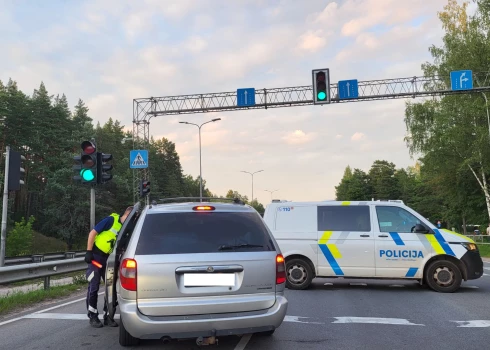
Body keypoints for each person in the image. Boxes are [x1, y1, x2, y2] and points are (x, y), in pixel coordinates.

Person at [84, 206, 133, 328]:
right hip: (96, 257)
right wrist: (89, 251)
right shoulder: (111, 220)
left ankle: (108, 316)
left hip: (110, 260)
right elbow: (93, 233)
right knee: (94, 287)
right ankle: (93, 316)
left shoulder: (126, 229)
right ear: (126, 215)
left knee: (110, 289)